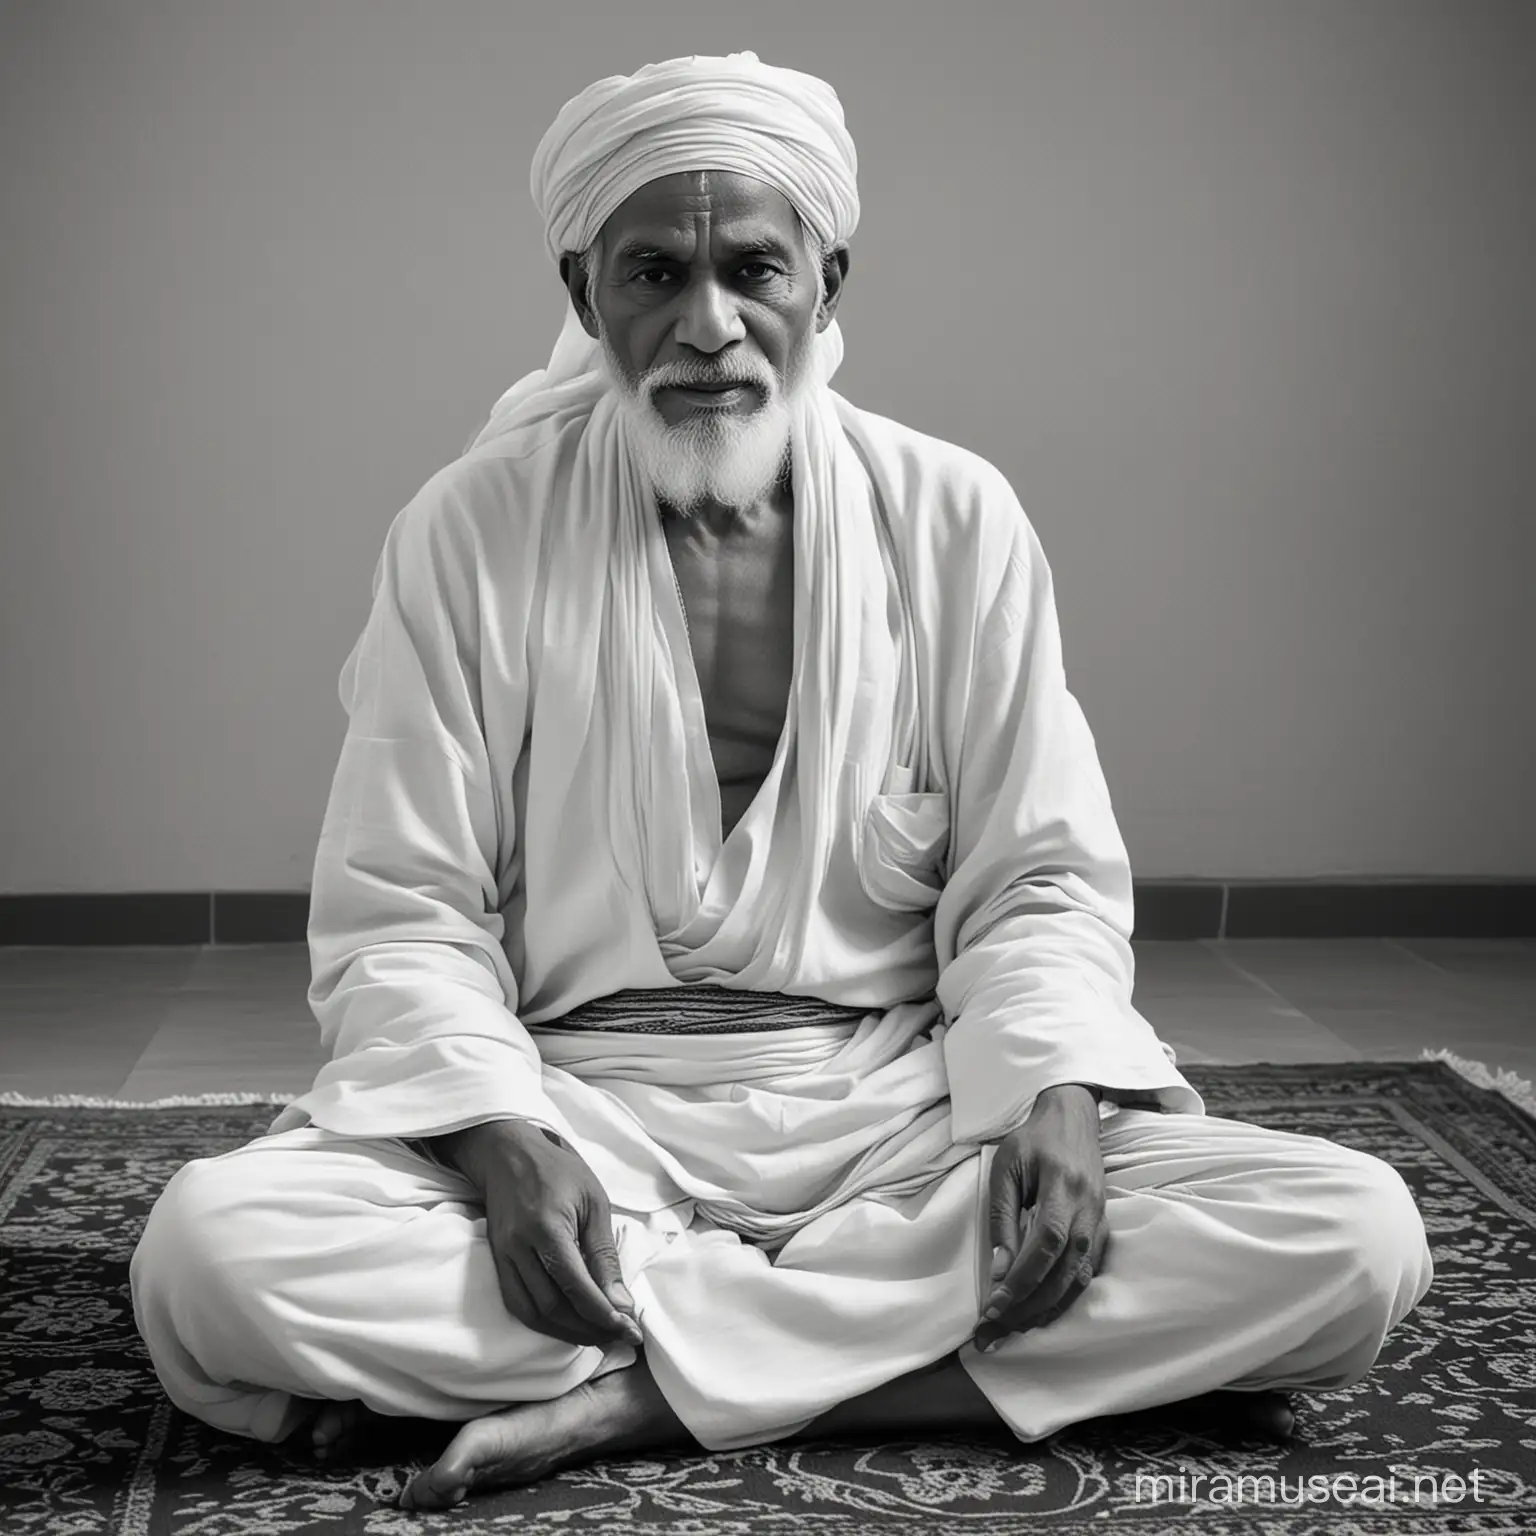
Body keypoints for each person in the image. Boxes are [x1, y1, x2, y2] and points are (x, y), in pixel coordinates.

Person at [130, 51, 1434, 1512]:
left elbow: (1037, 878)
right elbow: (403, 914)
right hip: (584, 1108)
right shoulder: (469, 533)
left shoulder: (955, 518)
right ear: (583, 297)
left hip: (896, 1109)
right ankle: (886, 1362)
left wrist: (1058, 1092)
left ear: (829, 281)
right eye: (652, 274)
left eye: (755, 267)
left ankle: (627, 1398)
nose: (708, 326)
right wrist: (506, 1153)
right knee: (207, 1258)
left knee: (1355, 1236)